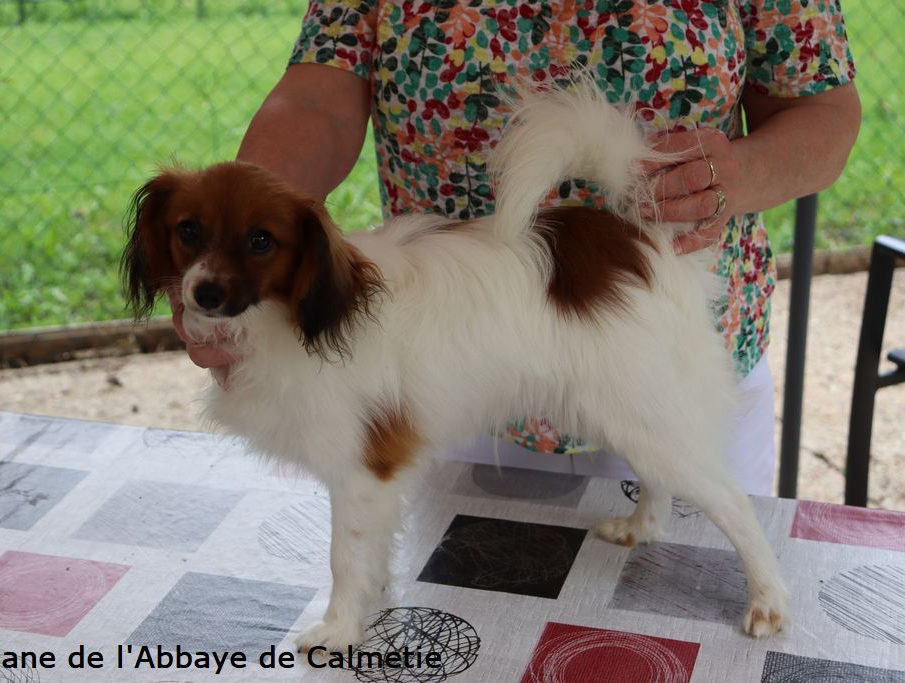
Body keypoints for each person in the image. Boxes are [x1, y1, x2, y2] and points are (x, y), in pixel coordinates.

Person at [170, 1, 860, 496]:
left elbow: (823, 108)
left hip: (663, 352)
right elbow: (319, 96)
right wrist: (248, 247)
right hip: (449, 374)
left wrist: (741, 173)